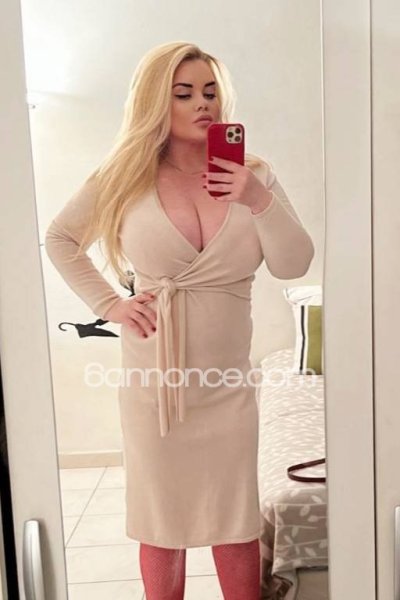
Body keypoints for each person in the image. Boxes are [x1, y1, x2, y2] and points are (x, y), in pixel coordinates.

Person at [45, 41, 315, 600]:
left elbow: (294, 265)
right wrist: (110, 305)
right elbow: (61, 238)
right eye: (184, 93)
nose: (203, 104)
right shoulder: (125, 175)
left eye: (210, 92)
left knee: (236, 524)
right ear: (155, 102)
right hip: (154, 387)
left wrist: (258, 200)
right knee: (160, 525)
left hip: (227, 386)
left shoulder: (253, 174)